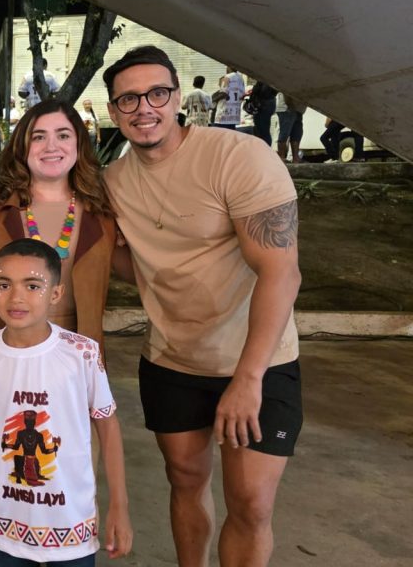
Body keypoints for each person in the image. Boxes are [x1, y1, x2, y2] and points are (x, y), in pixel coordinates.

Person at [102, 46, 302, 567]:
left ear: (177, 99)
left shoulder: (239, 156)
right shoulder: (114, 183)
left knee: (251, 502)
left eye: (156, 93)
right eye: (128, 99)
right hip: (172, 360)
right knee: (186, 480)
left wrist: (249, 378)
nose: (144, 108)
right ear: (113, 111)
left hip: (256, 360)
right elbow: (131, 263)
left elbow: (282, 271)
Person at [0, 239, 132, 566]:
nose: (17, 297)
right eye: (4, 285)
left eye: (33, 286)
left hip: (71, 522)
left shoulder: (81, 353)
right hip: (6, 524)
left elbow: (108, 427)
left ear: (56, 293)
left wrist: (119, 507)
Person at [0, 98, 116, 354]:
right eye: (38, 137)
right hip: (4, 355)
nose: (51, 146)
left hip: (78, 359)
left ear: (79, 143)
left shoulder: (103, 212)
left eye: (63, 135)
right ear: (23, 145)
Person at [276, 93, 307, 162]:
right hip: (287, 108)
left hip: (298, 109)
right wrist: (289, 104)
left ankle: (295, 157)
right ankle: (281, 157)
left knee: (297, 134)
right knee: (285, 133)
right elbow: (286, 90)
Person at [249, 81, 279, 146]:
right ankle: (264, 148)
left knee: (262, 131)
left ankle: (264, 148)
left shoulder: (265, 79)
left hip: (263, 104)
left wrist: (255, 90)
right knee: (264, 130)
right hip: (268, 103)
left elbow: (263, 91)